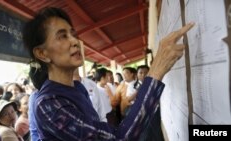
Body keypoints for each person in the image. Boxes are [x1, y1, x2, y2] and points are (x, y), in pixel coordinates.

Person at [22, 7, 194, 140]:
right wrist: (156, 71)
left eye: (72, 34)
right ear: (42, 54)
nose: (75, 41)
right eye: (62, 36)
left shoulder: (77, 88)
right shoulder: (48, 104)